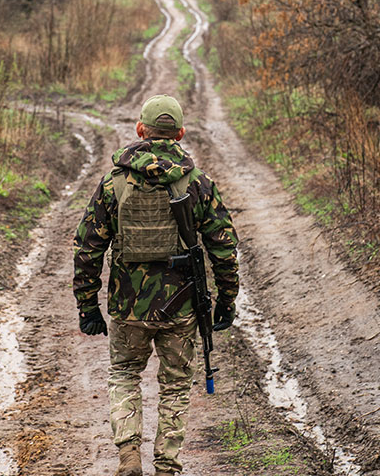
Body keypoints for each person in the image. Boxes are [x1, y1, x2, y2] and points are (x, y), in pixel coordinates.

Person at [73, 93, 240, 476]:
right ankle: (167, 466)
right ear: (180, 134)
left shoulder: (114, 183)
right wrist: (226, 301)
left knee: (124, 375)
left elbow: (87, 247)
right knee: (176, 386)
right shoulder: (198, 184)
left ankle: (129, 456)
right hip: (181, 308)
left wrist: (88, 306)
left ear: (139, 130)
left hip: (127, 308)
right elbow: (224, 249)